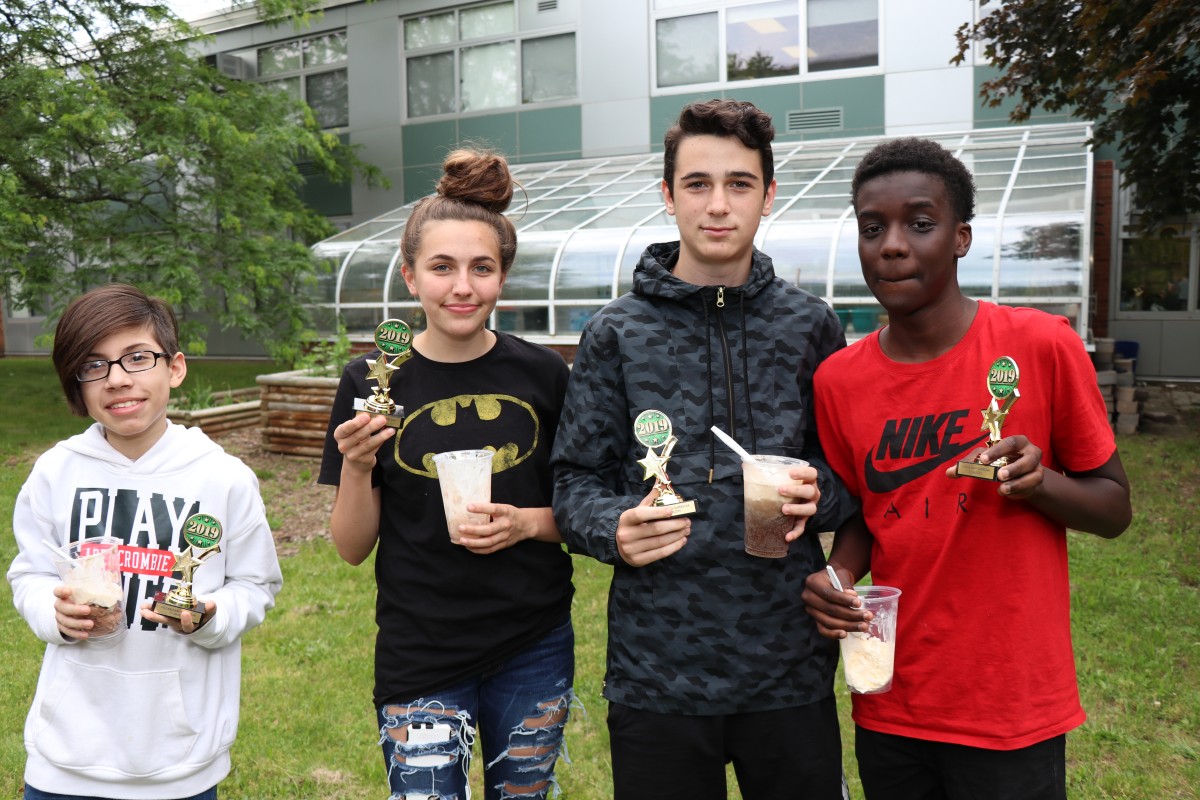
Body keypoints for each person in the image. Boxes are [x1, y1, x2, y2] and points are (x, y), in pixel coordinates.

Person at [802, 137, 1132, 799]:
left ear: (961, 237)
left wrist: (1042, 484)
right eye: (873, 228)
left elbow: (1114, 509)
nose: (892, 245)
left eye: (920, 224)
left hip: (1010, 708)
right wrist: (838, 576)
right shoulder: (839, 380)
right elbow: (871, 517)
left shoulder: (1040, 345)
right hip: (892, 700)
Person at [551, 99, 856, 799]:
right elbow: (573, 483)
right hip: (658, 671)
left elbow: (848, 476)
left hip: (789, 664)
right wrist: (613, 529)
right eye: (697, 184)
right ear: (668, 195)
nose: (718, 205)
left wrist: (822, 493)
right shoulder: (616, 333)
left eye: (740, 184)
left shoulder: (810, 327)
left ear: (768, 195)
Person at [318, 149, 574, 800]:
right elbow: (350, 548)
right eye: (442, 267)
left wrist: (525, 524)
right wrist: (355, 464)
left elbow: (581, 509)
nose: (462, 287)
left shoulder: (543, 375)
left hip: (533, 641)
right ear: (410, 277)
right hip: (421, 648)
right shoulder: (371, 382)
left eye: (481, 268)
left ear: (502, 277)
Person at [7, 283, 283, 800]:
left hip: (180, 763)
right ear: (77, 385)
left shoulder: (223, 478)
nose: (117, 380)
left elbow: (255, 585)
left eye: (137, 358)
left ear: (174, 368)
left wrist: (211, 615)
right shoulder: (55, 472)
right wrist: (52, 610)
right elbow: (30, 573)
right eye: (94, 366)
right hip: (65, 757)